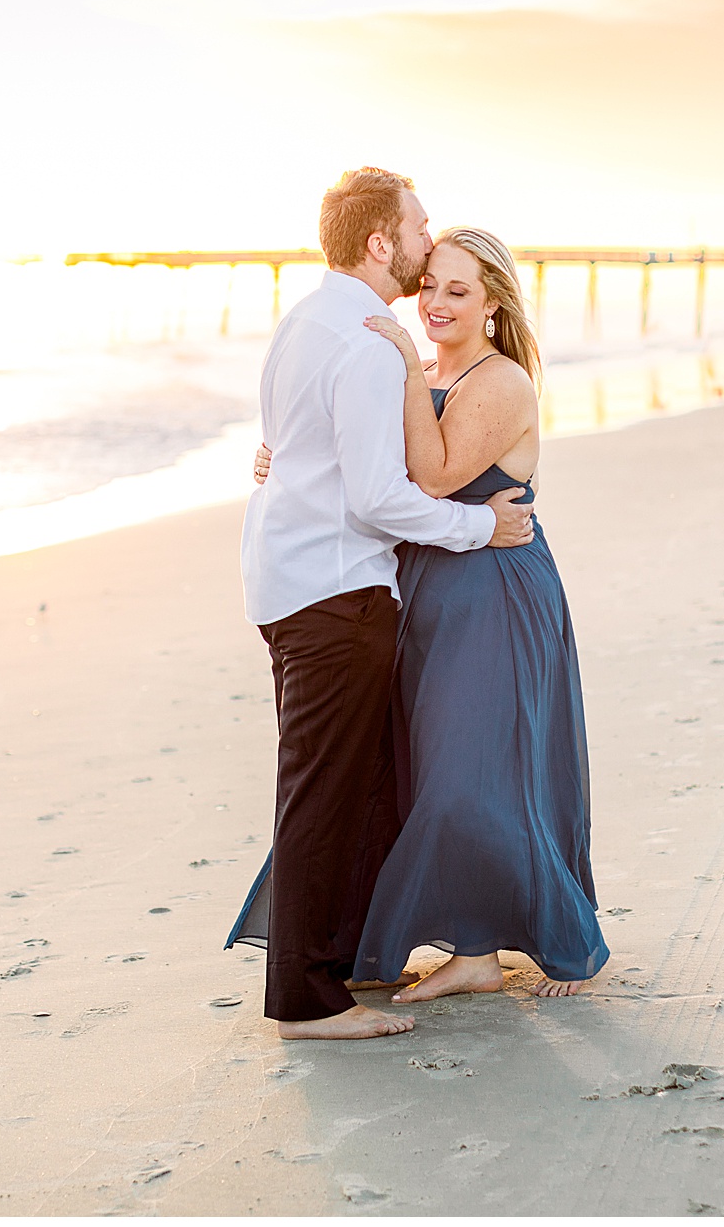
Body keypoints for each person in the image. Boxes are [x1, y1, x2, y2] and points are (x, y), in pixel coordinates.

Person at [245, 227, 610, 1003]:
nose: (437, 303)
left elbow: (436, 475)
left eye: (459, 291)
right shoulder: (414, 363)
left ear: (492, 305)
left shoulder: (500, 379)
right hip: (419, 584)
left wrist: (406, 365)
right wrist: (287, 454)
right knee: (423, 774)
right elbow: (360, 455)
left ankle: (501, 943)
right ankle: (470, 949)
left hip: (490, 590)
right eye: (432, 285)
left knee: (467, 779)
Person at [232, 169, 535, 1041]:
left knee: (361, 786)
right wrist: (481, 529)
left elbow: (294, 448)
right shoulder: (367, 344)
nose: (425, 235)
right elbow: (377, 498)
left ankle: (351, 961)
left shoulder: (303, 322)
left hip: (284, 577)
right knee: (325, 792)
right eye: (417, 226)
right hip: (334, 585)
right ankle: (305, 1000)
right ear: (380, 243)